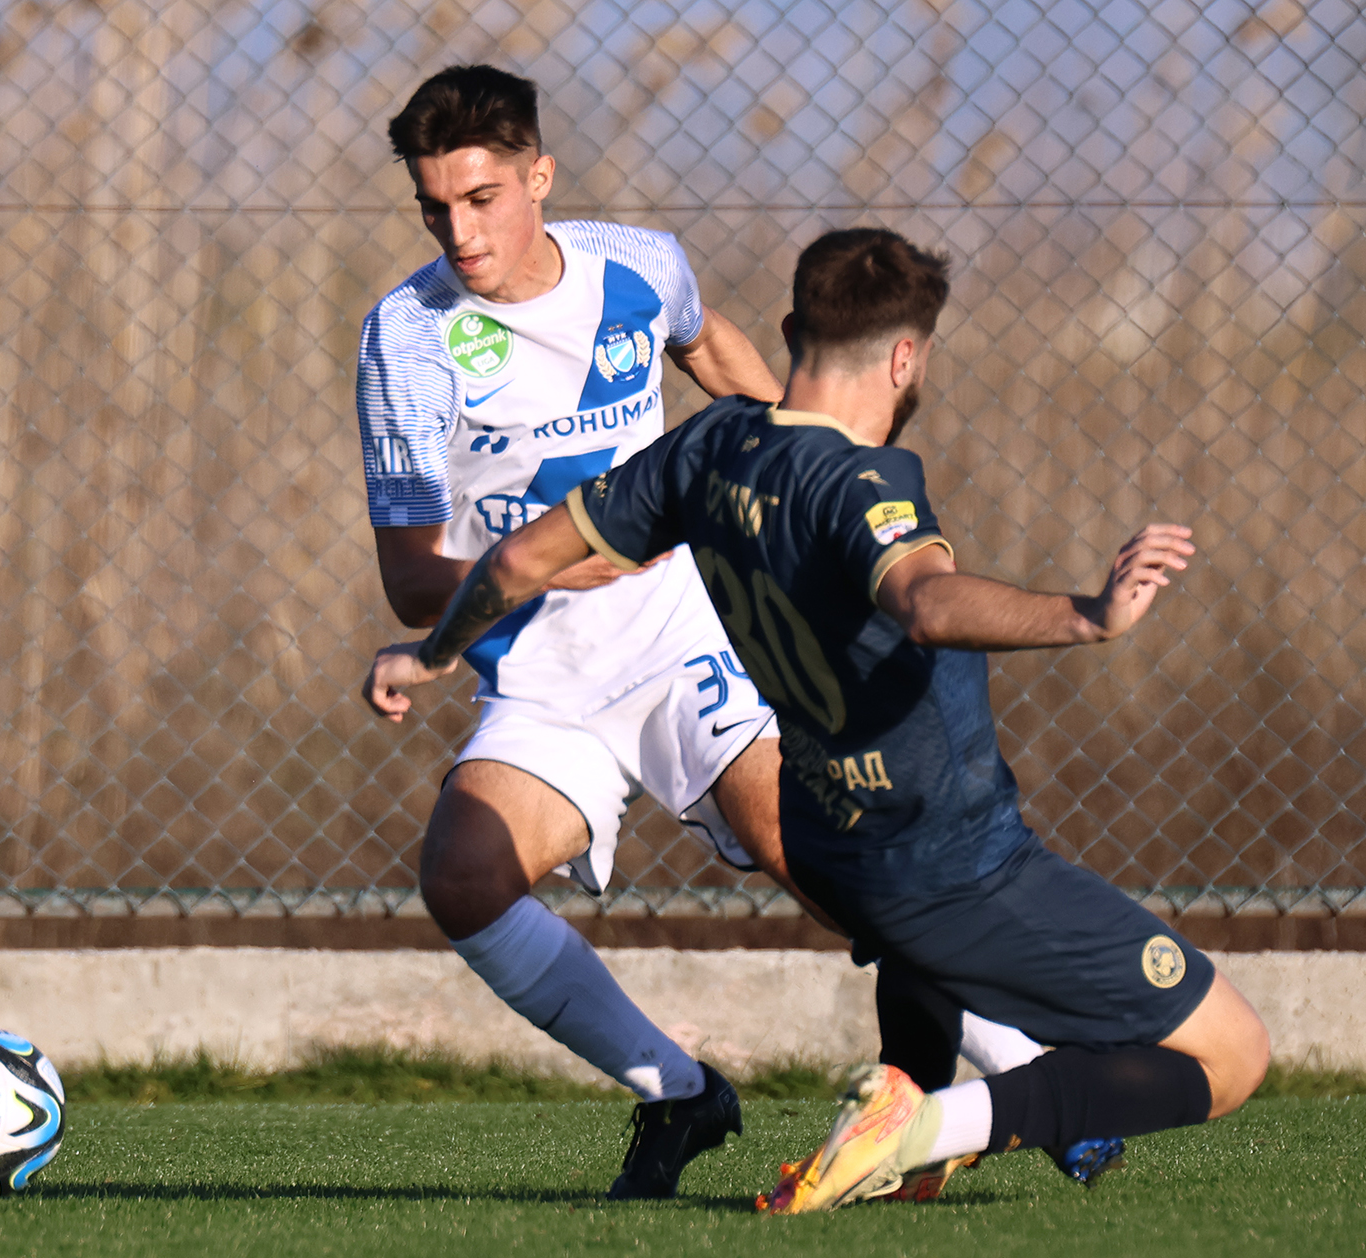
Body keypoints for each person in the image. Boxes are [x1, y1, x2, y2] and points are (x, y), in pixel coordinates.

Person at [362, 227, 1271, 1213]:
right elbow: (926, 601)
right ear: (906, 356)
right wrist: (1084, 616)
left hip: (837, 836)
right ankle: (933, 1124)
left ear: (790, 329)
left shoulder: (703, 450)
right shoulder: (866, 482)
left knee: (914, 956)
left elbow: (509, 563)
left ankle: (904, 1118)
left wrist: (432, 651)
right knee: (1232, 1053)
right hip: (957, 864)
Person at [357, 65, 1068, 1200]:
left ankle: (1033, 1080)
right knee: (464, 874)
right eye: (436, 206)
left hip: (683, 626)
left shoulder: (640, 267)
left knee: (808, 847)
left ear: (538, 176)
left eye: (483, 197)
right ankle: (682, 1093)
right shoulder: (405, 337)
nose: (461, 229)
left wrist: (805, 499)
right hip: (539, 667)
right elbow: (408, 578)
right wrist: (574, 562)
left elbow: (741, 388)